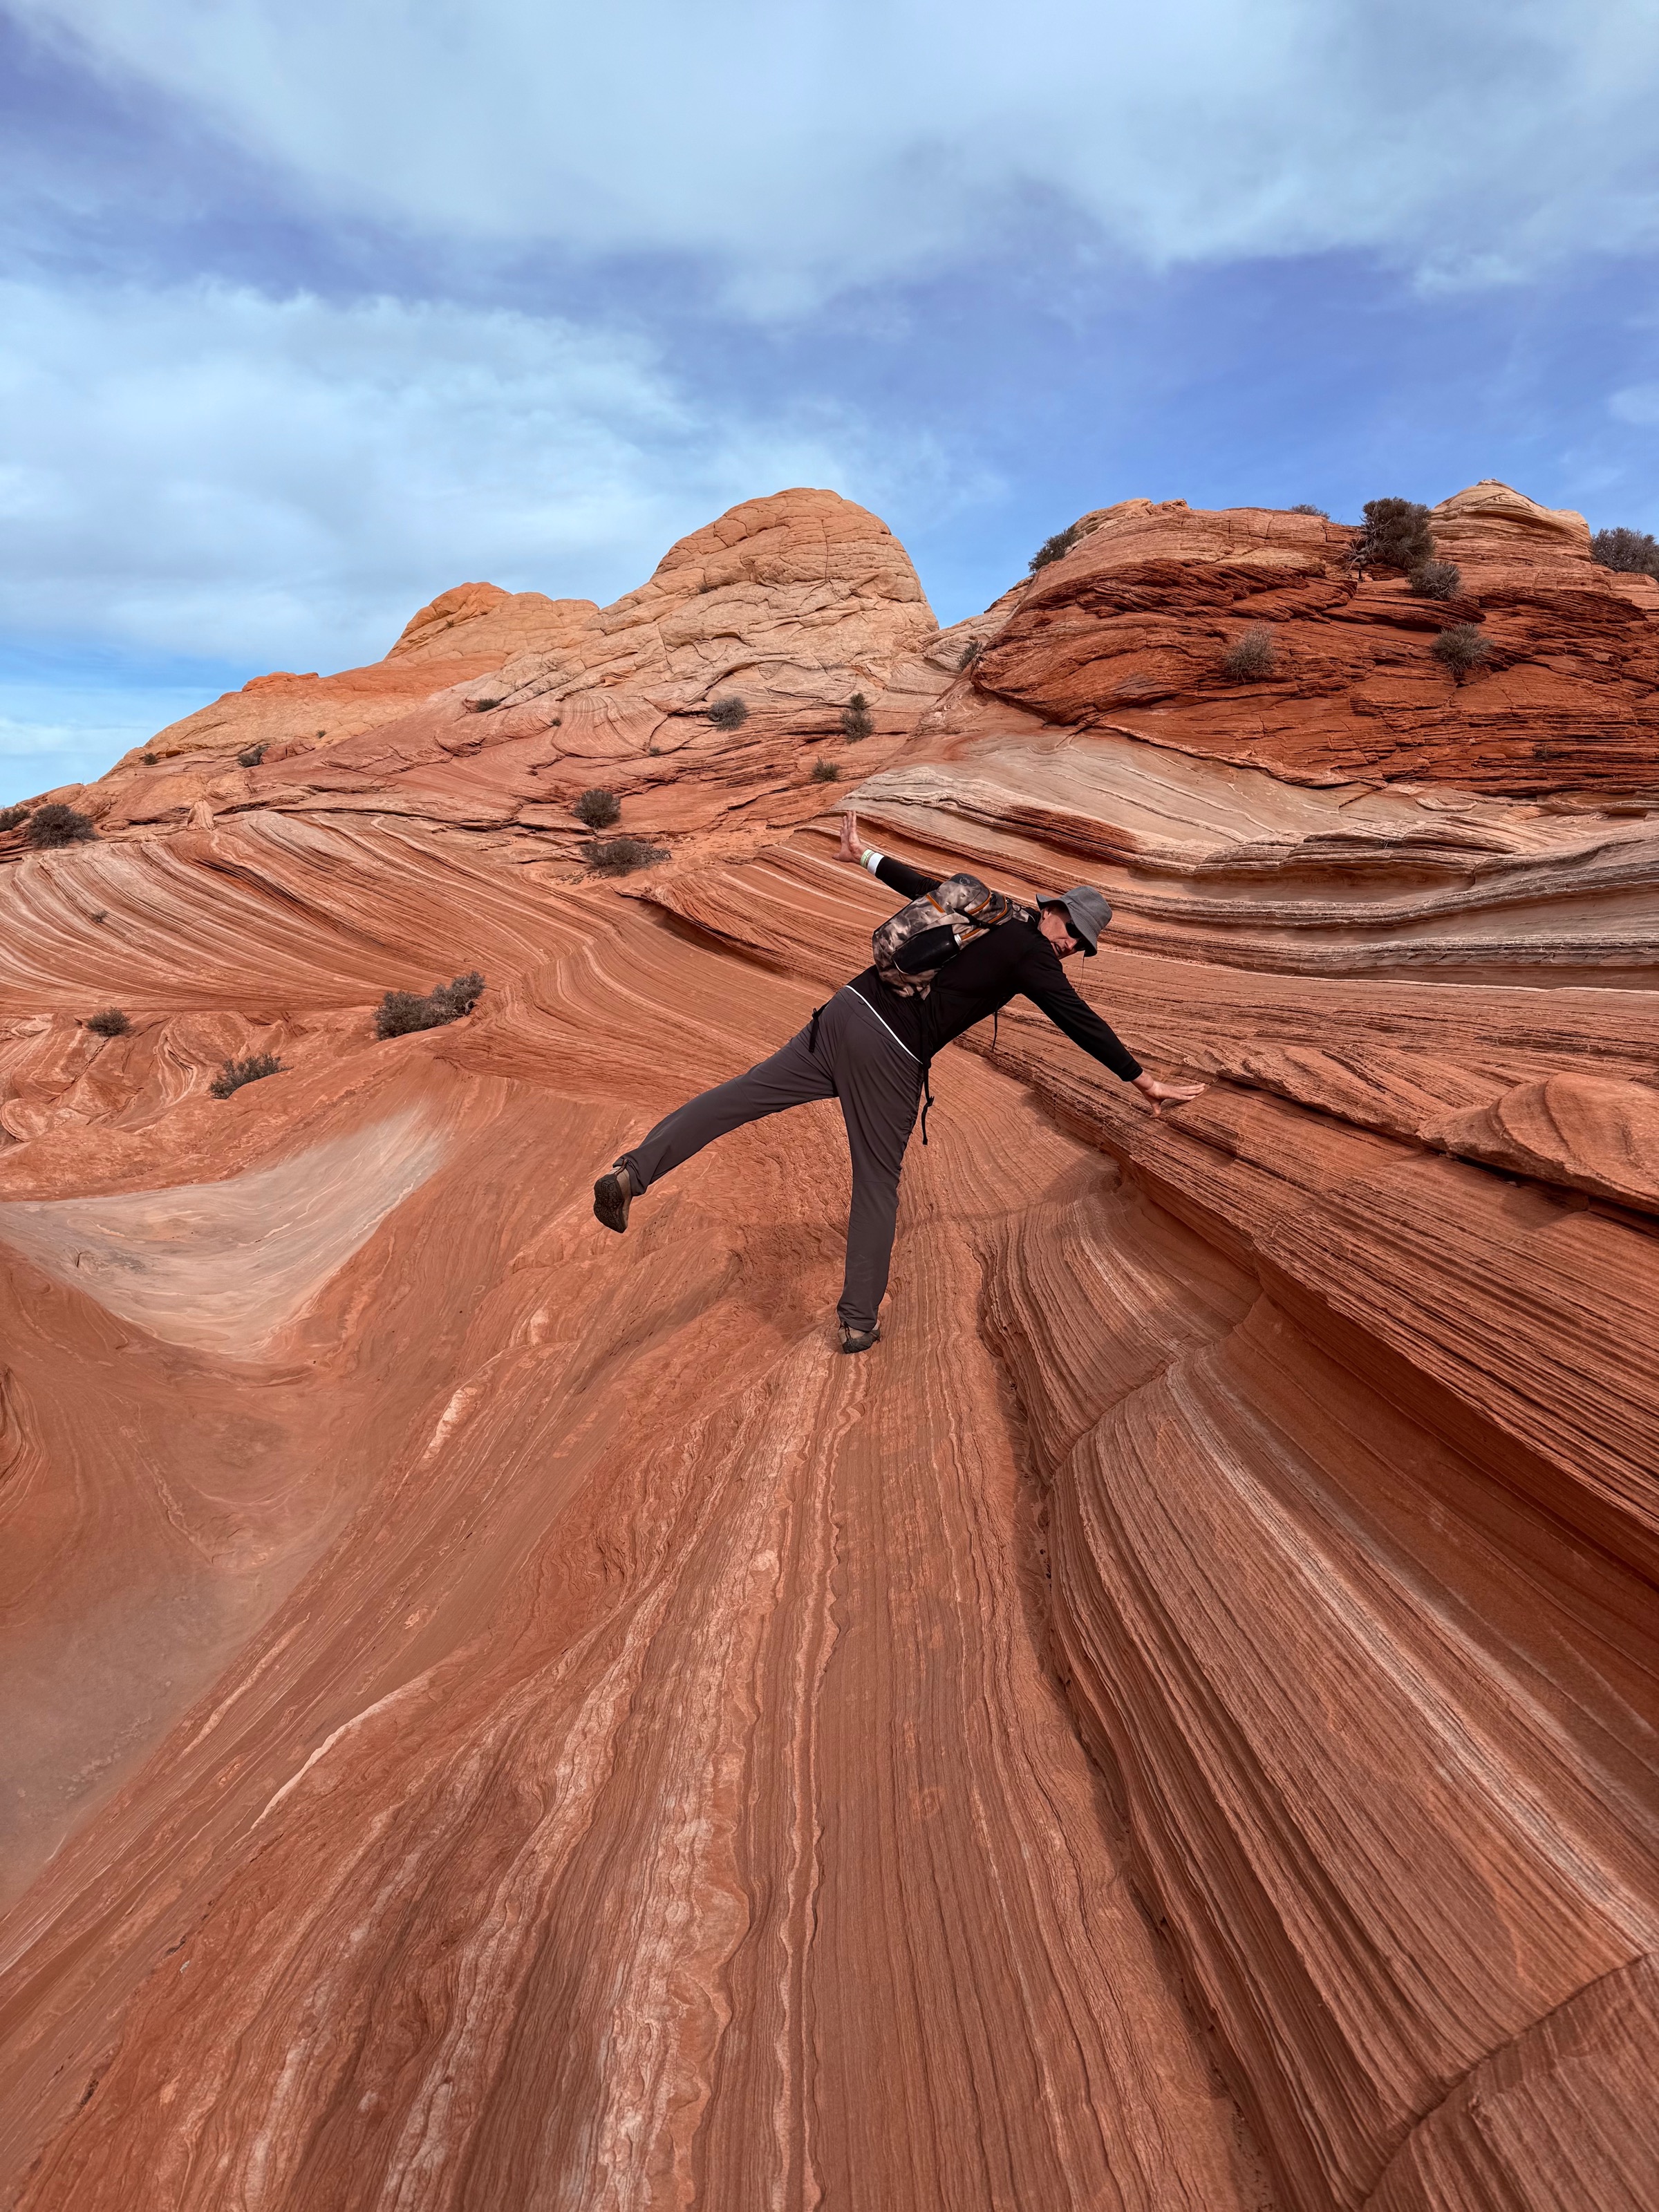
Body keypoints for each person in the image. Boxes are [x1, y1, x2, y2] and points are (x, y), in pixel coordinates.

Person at [593, 809, 1206, 1352]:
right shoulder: (1032, 950)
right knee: (879, 1180)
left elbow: (926, 890)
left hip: (845, 1009)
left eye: (1082, 945)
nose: (1073, 947)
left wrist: (863, 855)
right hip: (889, 1047)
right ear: (1056, 911)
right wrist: (1143, 1081)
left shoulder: (995, 911)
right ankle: (859, 1321)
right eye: (1074, 933)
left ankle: (633, 1171)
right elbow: (1079, 1020)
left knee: (741, 1096)